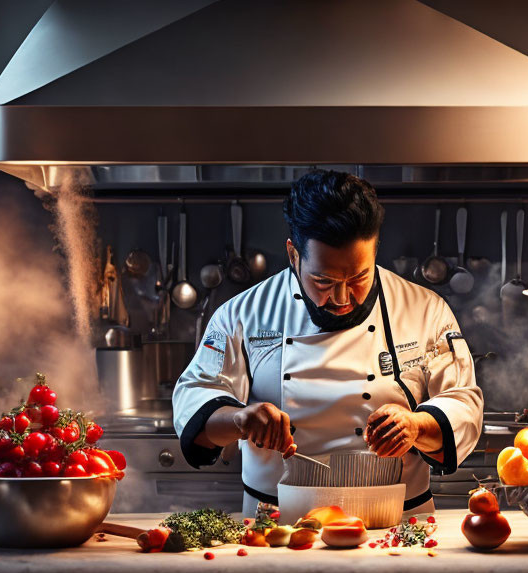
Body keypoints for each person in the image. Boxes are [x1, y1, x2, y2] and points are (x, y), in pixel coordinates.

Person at [172, 170, 483, 514]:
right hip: (277, 528)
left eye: (359, 277)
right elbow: (194, 401)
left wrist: (416, 425)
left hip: (399, 524)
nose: (342, 297)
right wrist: (240, 420)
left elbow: (464, 403)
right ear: (294, 255)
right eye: (323, 279)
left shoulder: (425, 309)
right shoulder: (243, 314)